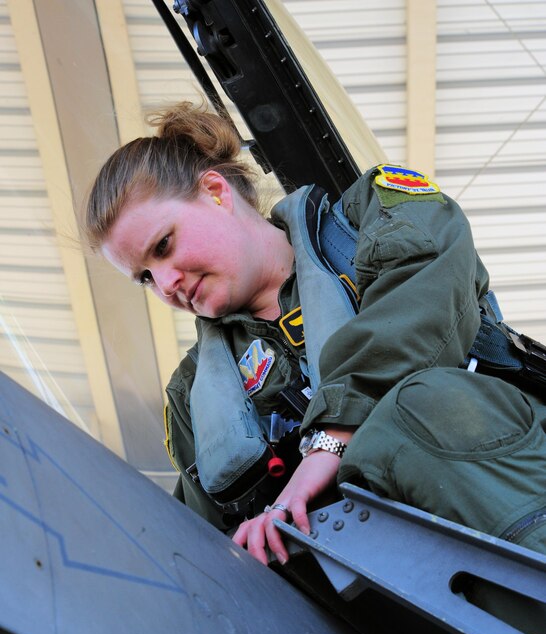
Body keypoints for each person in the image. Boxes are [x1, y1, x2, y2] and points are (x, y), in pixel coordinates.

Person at [84, 101, 546, 575]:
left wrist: (331, 440)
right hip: (395, 601)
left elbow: (424, 294)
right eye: (145, 276)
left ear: (215, 192)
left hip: (512, 475)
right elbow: (195, 555)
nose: (166, 285)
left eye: (163, 246)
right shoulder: (191, 401)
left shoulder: (375, 215)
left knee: (426, 402)